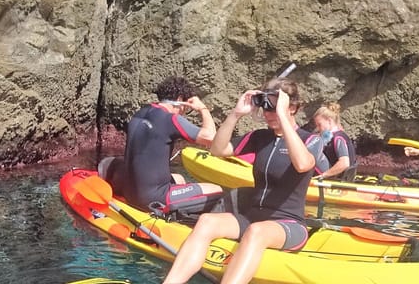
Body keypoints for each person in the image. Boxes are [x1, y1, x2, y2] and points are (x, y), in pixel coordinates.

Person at [163, 77, 322, 284]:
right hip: (252, 218)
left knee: (257, 232)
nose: (268, 115)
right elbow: (217, 150)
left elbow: (302, 164)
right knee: (206, 221)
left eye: (273, 108)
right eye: (265, 109)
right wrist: (235, 114)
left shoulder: (311, 140)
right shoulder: (260, 138)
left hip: (288, 224)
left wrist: (282, 115)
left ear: (292, 108)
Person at [113, 76, 222, 215]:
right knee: (216, 189)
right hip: (152, 199)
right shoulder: (171, 119)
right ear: (179, 99)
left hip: (129, 192)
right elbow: (211, 137)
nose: (184, 113)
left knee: (180, 179)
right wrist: (202, 108)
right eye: (185, 108)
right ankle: (181, 220)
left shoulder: (140, 113)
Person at [311, 102, 356, 180]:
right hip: (340, 175)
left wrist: (324, 175)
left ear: (329, 121)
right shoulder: (338, 134)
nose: (318, 129)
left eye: (319, 125)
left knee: (311, 150)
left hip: (338, 178)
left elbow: (344, 163)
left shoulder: (338, 138)